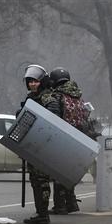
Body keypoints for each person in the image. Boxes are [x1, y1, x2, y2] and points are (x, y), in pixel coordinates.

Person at [41, 67, 84, 215]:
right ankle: (72, 203)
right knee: (68, 173)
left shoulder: (57, 96)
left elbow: (54, 119)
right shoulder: (77, 95)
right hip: (77, 139)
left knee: (59, 174)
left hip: (62, 140)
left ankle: (60, 206)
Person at [19, 64, 54, 224]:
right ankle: (40, 212)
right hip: (32, 142)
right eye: (30, 81)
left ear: (42, 82)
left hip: (44, 143)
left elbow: (52, 120)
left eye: (35, 82)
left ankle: (43, 213)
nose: (32, 84)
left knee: (41, 180)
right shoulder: (31, 98)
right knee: (35, 180)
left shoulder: (47, 97)